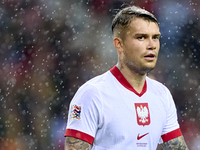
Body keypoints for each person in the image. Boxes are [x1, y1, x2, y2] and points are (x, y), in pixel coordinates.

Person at [64, 5, 189, 150]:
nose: (151, 45)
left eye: (155, 37)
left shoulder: (162, 95)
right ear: (119, 44)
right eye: (141, 37)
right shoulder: (93, 94)